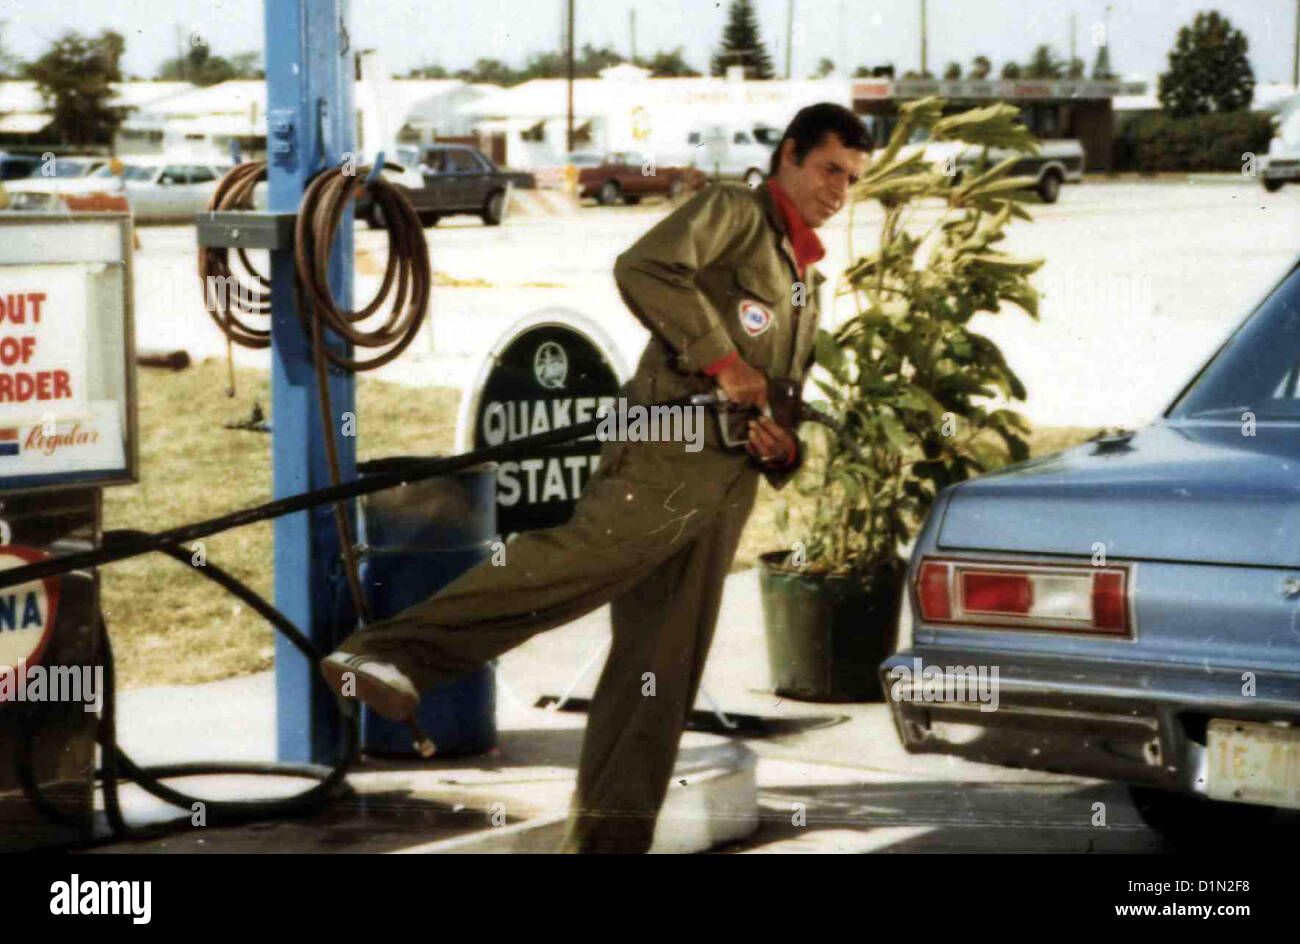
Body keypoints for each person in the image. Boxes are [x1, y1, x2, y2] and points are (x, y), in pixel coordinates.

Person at [321, 102, 873, 853]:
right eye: (828, 169)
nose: (838, 190)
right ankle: (389, 651)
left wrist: (783, 449)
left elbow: (778, 396)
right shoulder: (735, 214)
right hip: (665, 453)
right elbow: (644, 267)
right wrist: (724, 360)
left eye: (852, 179)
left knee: (659, 678)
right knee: (571, 566)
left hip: (724, 487)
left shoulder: (805, 278)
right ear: (788, 157)